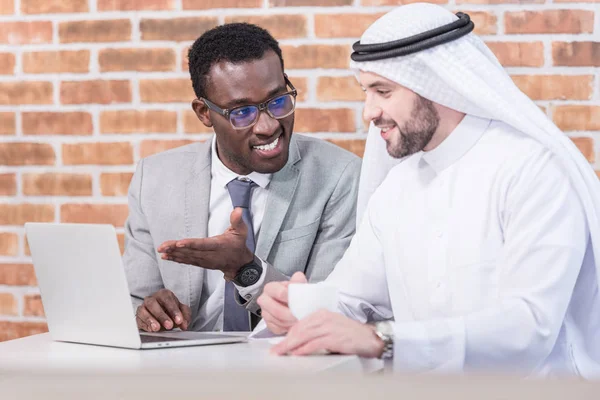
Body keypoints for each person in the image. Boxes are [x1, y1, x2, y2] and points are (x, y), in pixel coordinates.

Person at [257, 4, 600, 378]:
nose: (369, 112)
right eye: (366, 92)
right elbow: (354, 299)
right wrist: (301, 306)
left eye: (383, 91)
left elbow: (529, 327)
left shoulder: (532, 170)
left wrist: (383, 340)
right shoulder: (397, 188)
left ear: (438, 85)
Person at [123, 23, 361, 333]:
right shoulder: (154, 178)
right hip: (182, 370)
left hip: (286, 368)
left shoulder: (339, 177)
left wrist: (246, 269)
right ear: (204, 113)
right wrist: (147, 312)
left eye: (278, 101)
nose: (267, 126)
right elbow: (132, 299)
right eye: (242, 112)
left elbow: (330, 312)